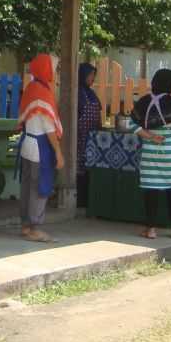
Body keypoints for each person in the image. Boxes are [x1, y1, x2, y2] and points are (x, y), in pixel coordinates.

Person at [127, 68, 171, 239]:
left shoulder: (144, 102)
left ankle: (151, 230)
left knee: (151, 192)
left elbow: (131, 125)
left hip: (150, 154)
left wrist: (151, 136)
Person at [15, 53, 64, 243]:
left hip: (27, 143)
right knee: (39, 187)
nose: (55, 73)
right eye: (54, 69)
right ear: (47, 69)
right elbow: (49, 128)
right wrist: (58, 152)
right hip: (39, 147)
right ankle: (35, 228)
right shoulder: (42, 92)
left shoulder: (31, 88)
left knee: (27, 187)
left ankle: (26, 226)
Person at [76, 62, 102, 207]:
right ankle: (79, 200)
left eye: (94, 75)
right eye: (90, 74)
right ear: (83, 75)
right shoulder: (77, 94)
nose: (93, 78)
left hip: (93, 139)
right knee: (79, 168)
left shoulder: (92, 94)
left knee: (90, 168)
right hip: (79, 139)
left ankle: (88, 200)